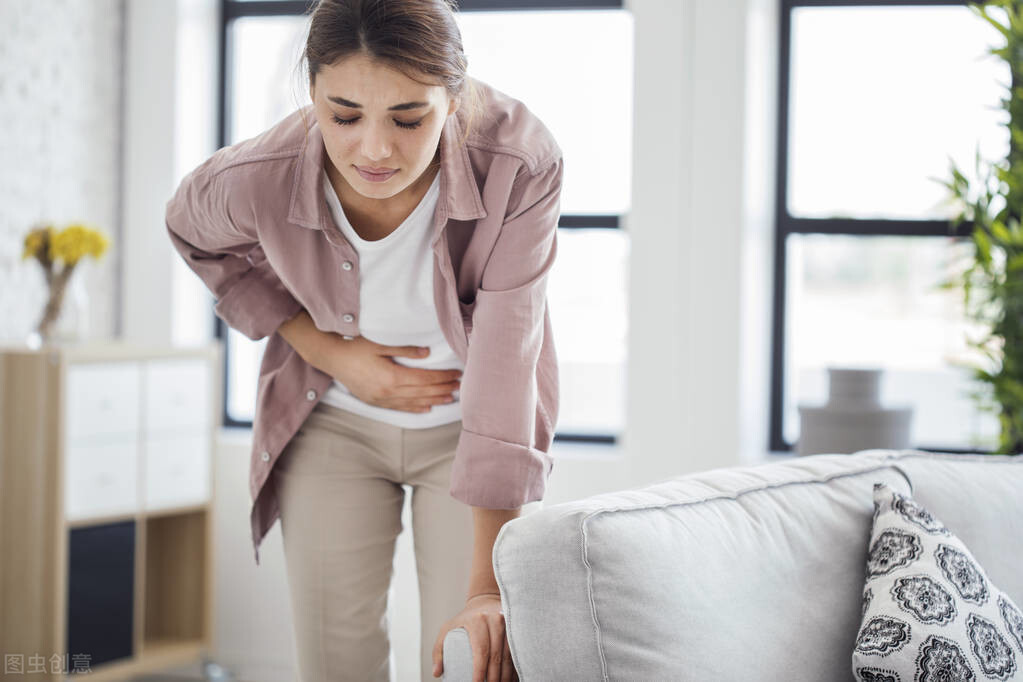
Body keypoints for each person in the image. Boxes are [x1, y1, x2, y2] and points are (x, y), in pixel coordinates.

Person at [164, 1, 563, 680]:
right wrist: (326, 350)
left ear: (454, 98)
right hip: (333, 427)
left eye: (409, 119)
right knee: (336, 666)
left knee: (470, 660)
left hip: (471, 432)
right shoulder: (259, 174)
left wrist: (488, 591)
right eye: (343, 115)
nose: (374, 149)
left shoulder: (518, 160)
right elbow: (190, 230)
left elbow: (506, 353)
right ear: (312, 91)